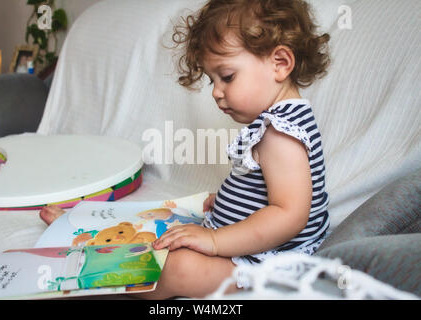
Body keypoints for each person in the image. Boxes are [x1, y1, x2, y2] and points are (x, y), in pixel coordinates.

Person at [40, 0, 331, 299]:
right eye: (212, 80)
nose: (217, 92)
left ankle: (93, 263)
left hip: (268, 262)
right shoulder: (278, 121)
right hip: (248, 245)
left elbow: (289, 215)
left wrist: (215, 241)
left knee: (177, 267)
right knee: (162, 225)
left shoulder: (281, 134)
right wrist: (229, 200)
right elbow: (269, 189)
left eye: (227, 76)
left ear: (280, 63)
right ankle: (86, 230)